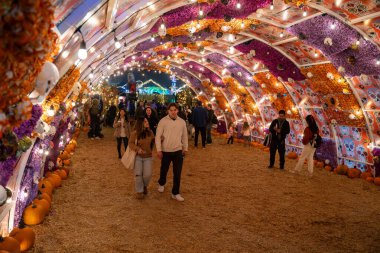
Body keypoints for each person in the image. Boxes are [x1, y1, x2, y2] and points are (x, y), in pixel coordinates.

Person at [155, 103, 188, 202]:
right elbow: (157, 136)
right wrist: (159, 150)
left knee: (177, 173)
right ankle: (161, 183)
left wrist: (185, 148)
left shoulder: (182, 122)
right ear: (168, 111)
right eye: (171, 110)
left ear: (177, 110)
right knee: (164, 170)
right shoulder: (163, 121)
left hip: (178, 150)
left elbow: (185, 136)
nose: (173, 112)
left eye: (175, 110)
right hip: (166, 150)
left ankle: (175, 192)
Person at [129, 118, 155, 199]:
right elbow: (131, 143)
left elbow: (154, 142)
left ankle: (145, 186)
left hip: (148, 157)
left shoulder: (150, 132)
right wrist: (138, 149)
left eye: (147, 121)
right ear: (141, 123)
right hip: (138, 157)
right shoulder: (135, 133)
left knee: (147, 175)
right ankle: (139, 191)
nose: (147, 123)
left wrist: (161, 139)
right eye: (145, 121)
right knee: (138, 174)